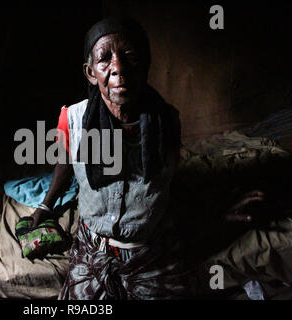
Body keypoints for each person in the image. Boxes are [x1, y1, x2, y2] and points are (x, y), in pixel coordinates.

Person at [30, 17, 266, 300]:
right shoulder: (72, 119)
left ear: (145, 64)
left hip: (150, 250)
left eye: (129, 56)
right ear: (91, 73)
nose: (118, 68)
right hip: (92, 247)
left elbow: (168, 182)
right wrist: (46, 203)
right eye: (104, 59)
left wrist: (215, 212)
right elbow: (65, 160)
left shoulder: (167, 121)